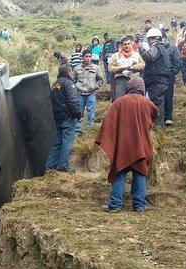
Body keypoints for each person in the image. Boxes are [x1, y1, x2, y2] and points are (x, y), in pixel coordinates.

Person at [95, 77, 158, 213]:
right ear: (141, 87)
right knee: (140, 173)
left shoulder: (119, 102)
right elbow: (155, 114)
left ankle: (115, 205)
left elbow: (108, 123)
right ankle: (139, 206)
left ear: (128, 87)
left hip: (123, 146)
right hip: (141, 145)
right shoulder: (147, 103)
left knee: (119, 172)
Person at [44, 64, 82, 173]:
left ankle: (50, 165)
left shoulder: (55, 84)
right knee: (67, 141)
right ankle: (63, 166)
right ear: (69, 72)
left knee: (58, 142)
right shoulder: (69, 83)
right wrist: (78, 114)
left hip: (58, 117)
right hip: (68, 117)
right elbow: (73, 100)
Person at [139, 27, 171, 126]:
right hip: (162, 81)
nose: (148, 41)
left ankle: (157, 126)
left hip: (155, 80)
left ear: (153, 38)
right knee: (159, 103)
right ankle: (159, 126)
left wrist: (141, 48)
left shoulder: (156, 47)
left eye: (148, 39)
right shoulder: (163, 49)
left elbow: (149, 57)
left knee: (155, 103)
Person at [73, 49, 103, 135]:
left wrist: (95, 87)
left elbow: (100, 80)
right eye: (86, 56)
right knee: (79, 111)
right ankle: (78, 130)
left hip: (91, 93)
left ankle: (90, 128)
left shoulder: (96, 68)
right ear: (82, 57)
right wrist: (76, 87)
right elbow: (73, 80)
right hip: (80, 93)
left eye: (90, 56)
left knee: (91, 111)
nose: (88, 58)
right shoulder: (76, 68)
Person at [108, 35, 145, 99]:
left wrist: (134, 67)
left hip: (134, 80)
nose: (127, 46)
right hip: (120, 80)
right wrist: (119, 69)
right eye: (125, 44)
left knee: (134, 100)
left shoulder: (136, 55)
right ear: (121, 46)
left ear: (131, 44)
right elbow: (110, 68)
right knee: (121, 100)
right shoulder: (115, 56)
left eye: (128, 44)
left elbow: (142, 64)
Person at [164, 33, 182, 126]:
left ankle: (168, 116)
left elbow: (178, 61)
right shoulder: (154, 48)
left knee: (168, 95)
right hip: (157, 76)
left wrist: (173, 72)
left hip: (168, 75)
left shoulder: (172, 48)